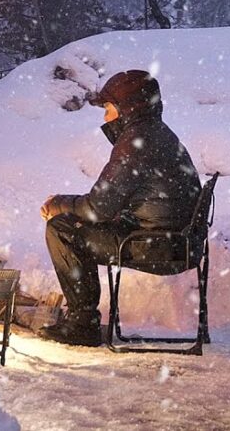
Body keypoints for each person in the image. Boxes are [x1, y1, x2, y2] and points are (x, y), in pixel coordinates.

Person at [38, 70, 201, 346]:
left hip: (155, 245)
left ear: (128, 108)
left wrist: (59, 205)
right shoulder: (157, 134)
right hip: (176, 241)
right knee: (72, 223)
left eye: (109, 109)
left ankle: (82, 323)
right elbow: (123, 200)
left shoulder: (136, 142)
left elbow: (98, 207)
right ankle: (82, 320)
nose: (105, 117)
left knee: (62, 229)